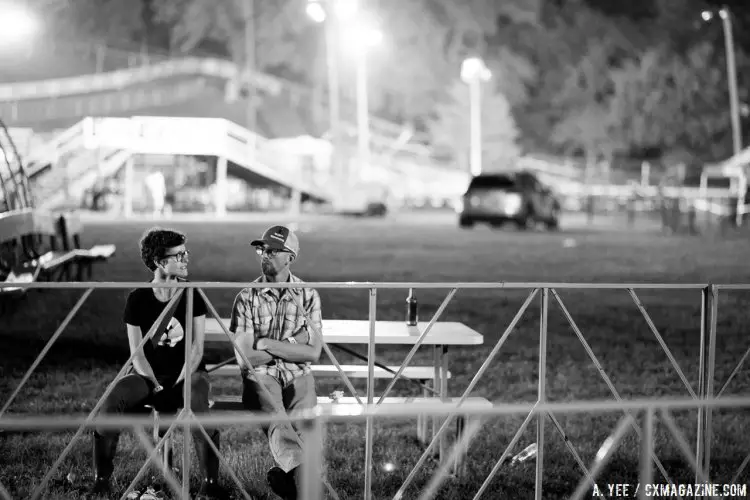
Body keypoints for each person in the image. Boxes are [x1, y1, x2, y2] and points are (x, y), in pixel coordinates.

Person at [89, 228, 222, 499]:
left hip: (188, 373)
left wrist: (177, 384)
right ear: (161, 263)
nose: (186, 259)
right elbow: (137, 355)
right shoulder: (137, 299)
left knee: (196, 401)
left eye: (186, 252)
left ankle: (210, 485)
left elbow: (196, 350)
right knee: (112, 401)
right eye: (179, 255)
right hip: (148, 375)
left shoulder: (192, 294)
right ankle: (101, 481)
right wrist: (157, 386)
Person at [229, 225, 323, 500]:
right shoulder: (247, 296)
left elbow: (313, 354)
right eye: (262, 249)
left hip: (298, 374)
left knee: (305, 424)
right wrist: (294, 343)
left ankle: (289, 477)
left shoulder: (308, 295)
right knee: (277, 418)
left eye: (272, 250)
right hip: (261, 375)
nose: (264, 254)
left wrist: (268, 344)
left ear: (289, 257)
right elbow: (246, 359)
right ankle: (302, 478)